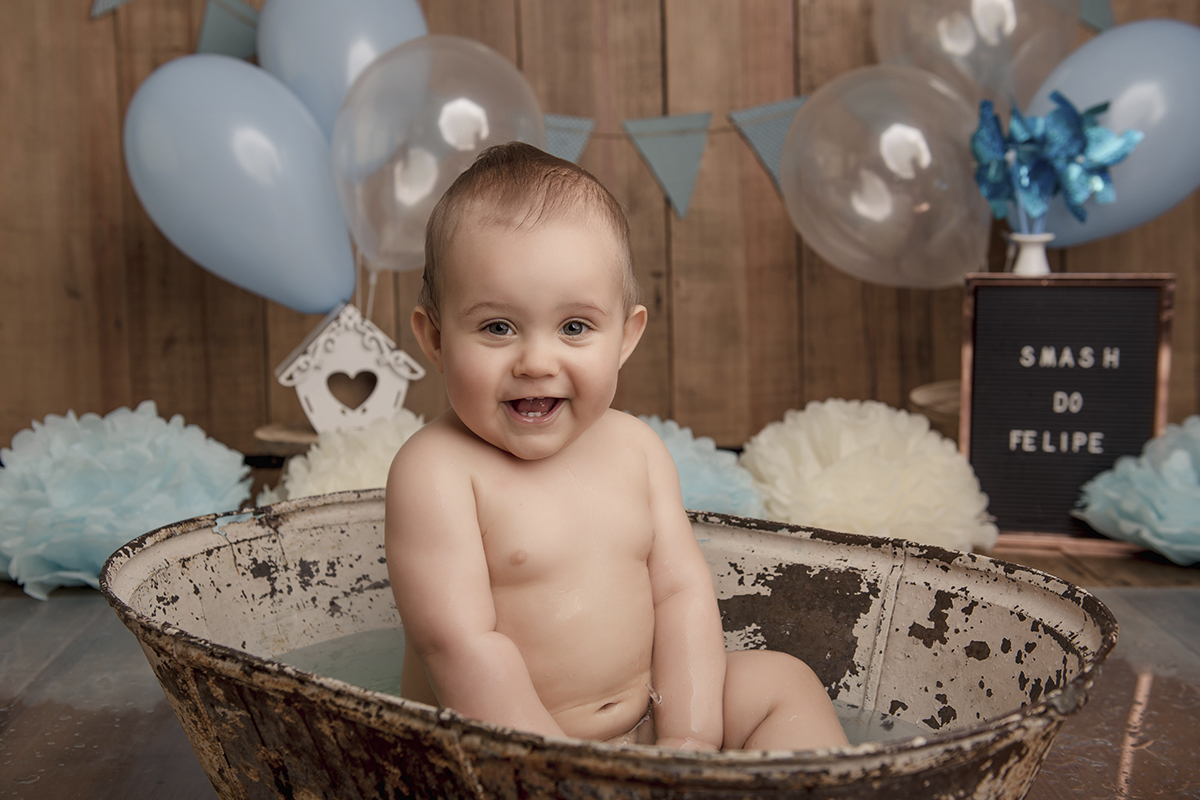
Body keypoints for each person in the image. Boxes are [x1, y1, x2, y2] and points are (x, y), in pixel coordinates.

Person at [385, 142, 848, 751]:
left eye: (574, 327)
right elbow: (461, 647)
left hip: (648, 723)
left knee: (784, 683)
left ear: (625, 337)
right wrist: (568, 774)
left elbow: (681, 595)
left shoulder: (636, 450)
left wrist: (687, 744)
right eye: (498, 327)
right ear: (437, 339)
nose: (537, 361)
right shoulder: (435, 472)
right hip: (507, 755)